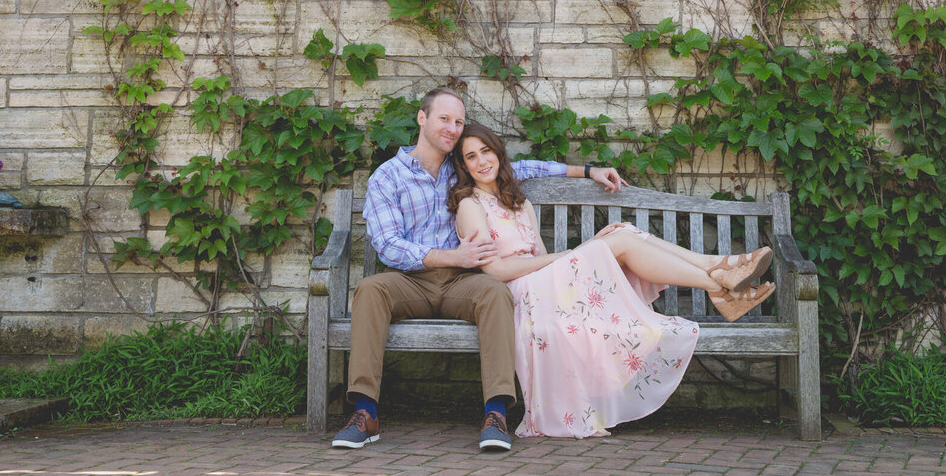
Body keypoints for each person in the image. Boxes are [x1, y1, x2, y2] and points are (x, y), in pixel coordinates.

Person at [331, 88, 626, 452]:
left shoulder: (462, 168)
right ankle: (365, 413)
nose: (453, 128)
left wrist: (589, 170)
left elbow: (524, 167)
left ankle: (496, 412)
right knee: (371, 289)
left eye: (458, 121)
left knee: (494, 292)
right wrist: (452, 256)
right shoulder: (387, 177)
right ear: (422, 119)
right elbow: (388, 243)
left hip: (464, 284)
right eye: (444, 119)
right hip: (411, 282)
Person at [449, 122, 775, 439]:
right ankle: (719, 276)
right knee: (620, 236)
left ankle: (718, 279)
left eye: (486, 151)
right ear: (463, 166)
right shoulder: (470, 205)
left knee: (621, 232)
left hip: (546, 288)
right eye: (471, 157)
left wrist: (573, 255)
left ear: (498, 153)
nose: (481, 161)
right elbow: (495, 271)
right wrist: (573, 254)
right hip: (518, 296)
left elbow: (542, 256)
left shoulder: (521, 203)